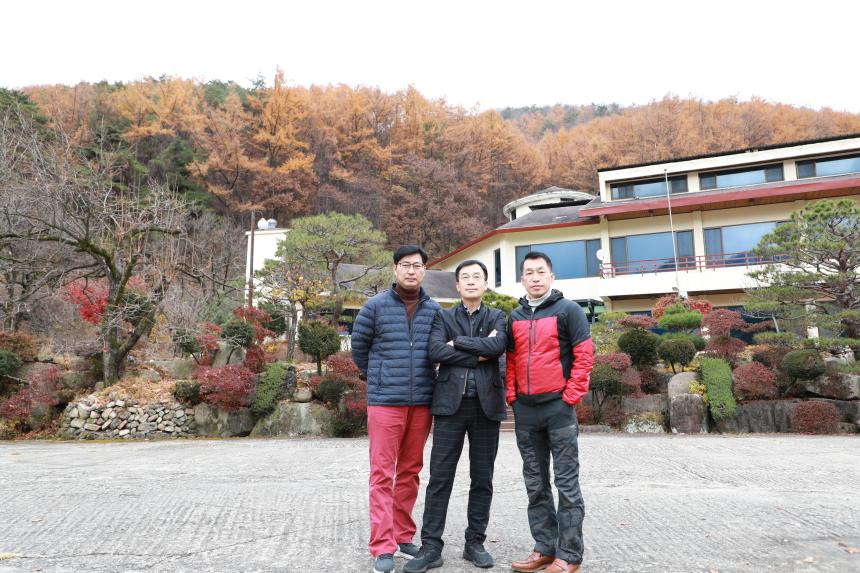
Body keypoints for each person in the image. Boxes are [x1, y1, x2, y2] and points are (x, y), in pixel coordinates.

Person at [405, 260, 507, 573]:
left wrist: (459, 343)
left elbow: (498, 345)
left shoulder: (497, 316)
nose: (472, 281)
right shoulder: (443, 316)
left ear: (485, 284)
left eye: (477, 277)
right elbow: (436, 351)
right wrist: (479, 352)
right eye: (465, 277)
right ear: (458, 285)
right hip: (450, 405)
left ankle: (474, 542)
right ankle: (431, 547)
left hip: (486, 407)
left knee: (482, 478)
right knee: (440, 478)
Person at [352, 245, 441, 573]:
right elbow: (359, 349)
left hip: (422, 403)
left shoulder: (434, 310)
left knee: (410, 471)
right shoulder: (374, 307)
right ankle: (382, 545)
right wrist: (379, 376)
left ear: (424, 270)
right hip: (385, 402)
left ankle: (403, 535)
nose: (411, 271)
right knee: (381, 473)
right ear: (395, 269)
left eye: (417, 265)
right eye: (405, 265)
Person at [505, 251, 594, 573]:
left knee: (566, 484)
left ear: (551, 276)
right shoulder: (515, 316)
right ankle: (544, 547)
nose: (535, 277)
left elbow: (584, 356)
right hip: (526, 412)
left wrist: (570, 397)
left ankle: (569, 555)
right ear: (522, 279)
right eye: (529, 272)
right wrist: (512, 395)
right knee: (535, 483)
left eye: (540, 271)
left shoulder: (569, 310)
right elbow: (511, 360)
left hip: (558, 408)